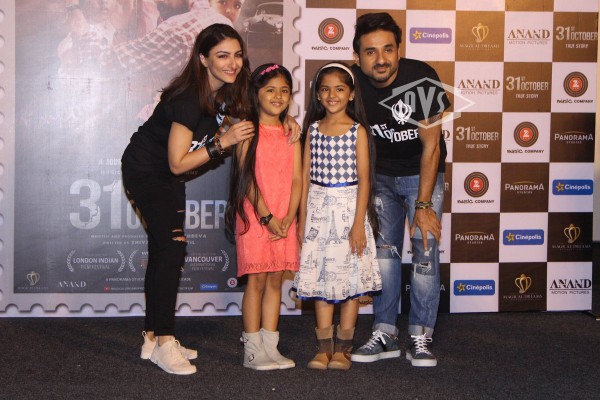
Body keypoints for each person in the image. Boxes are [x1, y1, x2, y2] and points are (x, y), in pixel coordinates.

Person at [121, 23, 256, 375]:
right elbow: (178, 162)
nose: (232, 63)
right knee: (171, 248)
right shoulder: (188, 99)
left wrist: (288, 124)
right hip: (145, 170)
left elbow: (257, 116)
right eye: (222, 56)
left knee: (164, 249)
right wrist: (223, 143)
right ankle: (165, 342)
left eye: (237, 55)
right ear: (203, 59)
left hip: (168, 177)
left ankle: (153, 336)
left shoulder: (225, 93)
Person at [349, 12, 450, 368]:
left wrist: (423, 204)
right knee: (384, 256)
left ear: (398, 49)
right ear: (358, 56)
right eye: (371, 52)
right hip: (380, 177)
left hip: (421, 175)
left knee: (424, 253)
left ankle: (420, 335)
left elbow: (432, 147)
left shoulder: (422, 78)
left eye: (388, 49)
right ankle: (386, 333)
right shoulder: (351, 83)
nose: (381, 59)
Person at [293, 62, 382, 371]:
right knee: (320, 280)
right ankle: (323, 349)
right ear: (318, 94)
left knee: (350, 281)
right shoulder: (313, 130)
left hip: (349, 212)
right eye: (326, 89)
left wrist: (358, 224)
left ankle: (343, 349)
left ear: (351, 94)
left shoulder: (358, 131)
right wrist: (302, 218)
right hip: (318, 211)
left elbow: (365, 180)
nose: (332, 95)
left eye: (340, 89)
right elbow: (305, 176)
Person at [226, 63, 302, 371]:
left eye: (284, 90)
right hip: (256, 217)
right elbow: (247, 179)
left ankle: (271, 346)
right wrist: (268, 217)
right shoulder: (247, 130)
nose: (278, 96)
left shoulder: (291, 133)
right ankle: (252, 348)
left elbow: (297, 178)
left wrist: (289, 217)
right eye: (270, 90)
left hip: (285, 218)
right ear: (256, 93)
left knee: (275, 280)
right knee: (256, 280)